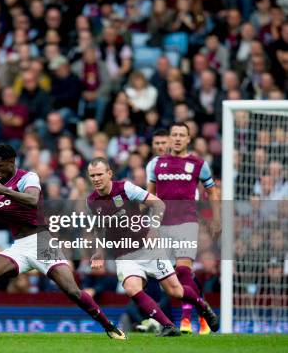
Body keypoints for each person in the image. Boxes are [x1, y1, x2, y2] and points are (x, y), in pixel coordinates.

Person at [0, 143, 126, 339]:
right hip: (20, 246)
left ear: (11, 162)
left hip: (41, 242)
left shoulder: (27, 178)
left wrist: (3, 190)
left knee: (73, 291)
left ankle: (109, 326)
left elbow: (32, 199)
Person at [87, 157, 219, 337]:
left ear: (109, 174)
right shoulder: (91, 201)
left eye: (99, 174)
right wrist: (98, 252)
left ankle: (202, 306)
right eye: (92, 175)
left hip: (148, 248)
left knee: (176, 291)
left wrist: (154, 227)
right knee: (132, 288)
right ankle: (168, 325)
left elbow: (158, 203)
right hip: (124, 254)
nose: (96, 179)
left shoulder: (125, 188)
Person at [147, 123, 220, 334]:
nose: (177, 138)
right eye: (174, 134)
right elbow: (149, 196)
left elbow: (212, 192)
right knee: (169, 282)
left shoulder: (199, 164)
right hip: (162, 225)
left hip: (187, 222)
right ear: (170, 139)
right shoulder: (157, 164)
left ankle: (188, 319)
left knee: (183, 269)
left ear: (189, 139)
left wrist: (217, 218)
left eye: (182, 135)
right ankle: (202, 308)